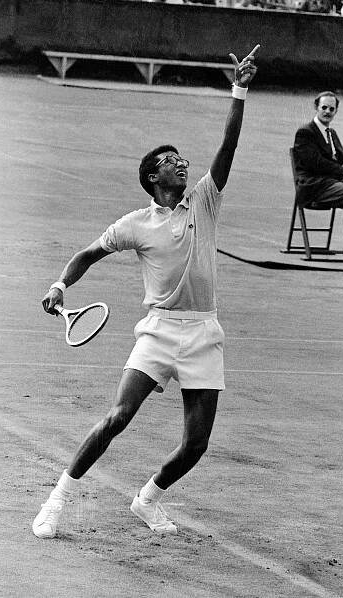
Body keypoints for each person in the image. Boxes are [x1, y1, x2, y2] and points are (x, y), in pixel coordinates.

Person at [32, 46, 259, 539]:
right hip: (157, 332)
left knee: (196, 444)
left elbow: (230, 146)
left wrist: (238, 88)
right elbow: (88, 253)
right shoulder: (135, 224)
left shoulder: (204, 201)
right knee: (117, 416)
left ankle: (148, 499)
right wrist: (59, 284)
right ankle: (57, 499)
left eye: (182, 160)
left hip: (204, 331)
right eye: (170, 162)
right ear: (153, 178)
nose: (182, 165)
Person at [293, 91, 343, 270]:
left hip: (335, 181)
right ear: (316, 107)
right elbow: (314, 163)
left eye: (332, 109)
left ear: (336, 111)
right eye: (324, 108)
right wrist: (342, 170)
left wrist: (341, 172)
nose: (327, 112)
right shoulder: (305, 132)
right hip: (315, 185)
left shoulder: (332, 132)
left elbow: (336, 158)